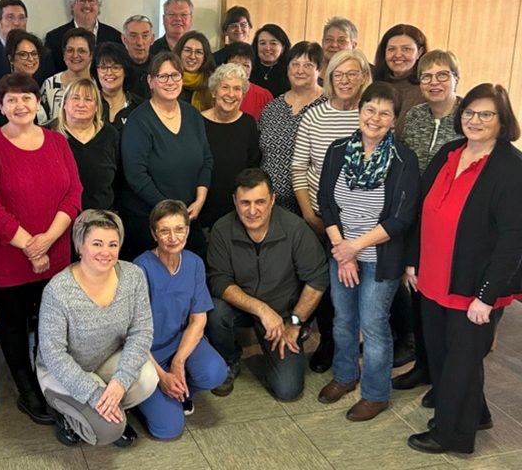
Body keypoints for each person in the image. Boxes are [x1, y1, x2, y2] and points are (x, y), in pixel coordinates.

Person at [406, 84, 522, 456]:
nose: (475, 120)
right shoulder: (449, 153)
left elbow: (513, 238)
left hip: (474, 287)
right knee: (444, 354)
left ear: (502, 122)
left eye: (486, 114)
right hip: (434, 277)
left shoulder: (510, 167)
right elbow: (421, 210)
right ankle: (477, 414)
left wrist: (487, 296)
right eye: (470, 112)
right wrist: (414, 261)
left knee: (459, 360)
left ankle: (452, 434)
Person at [0, 72, 82, 427]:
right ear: (0, 106)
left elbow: (74, 195)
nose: (20, 105)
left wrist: (47, 241)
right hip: (11, 254)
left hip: (55, 252)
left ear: (38, 102)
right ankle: (26, 388)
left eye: (27, 97)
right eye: (11, 99)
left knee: (52, 321)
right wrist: (29, 245)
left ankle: (50, 377)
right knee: (14, 321)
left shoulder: (58, 142)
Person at [316, 83, 420, 422]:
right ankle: (345, 376)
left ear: (394, 120)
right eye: (370, 109)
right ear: (359, 110)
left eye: (384, 113)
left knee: (374, 325)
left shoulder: (403, 159)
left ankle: (376, 394)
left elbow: (402, 218)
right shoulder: (337, 150)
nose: (375, 118)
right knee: (343, 320)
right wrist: (342, 251)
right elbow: (327, 205)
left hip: (380, 257)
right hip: (341, 250)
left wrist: (354, 248)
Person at [37, 210, 158, 447]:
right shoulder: (58, 290)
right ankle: (67, 415)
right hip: (60, 372)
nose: (106, 252)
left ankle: (111, 410)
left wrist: (119, 382)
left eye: (113, 244)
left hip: (105, 360)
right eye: (97, 243)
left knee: (148, 377)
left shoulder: (133, 276)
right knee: (107, 432)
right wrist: (93, 393)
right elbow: (54, 354)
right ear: (80, 246)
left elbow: (141, 332)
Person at [206, 169, 329, 400]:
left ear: (272, 200)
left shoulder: (295, 229)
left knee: (288, 390)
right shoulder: (222, 229)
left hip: (283, 315)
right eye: (245, 203)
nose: (252, 211)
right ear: (235, 201)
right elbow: (218, 281)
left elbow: (317, 278)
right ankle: (229, 359)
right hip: (242, 309)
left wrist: (295, 322)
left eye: (260, 202)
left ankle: (291, 341)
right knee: (214, 309)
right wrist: (262, 310)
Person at [292, 48, 372, 373]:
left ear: (364, 77)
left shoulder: (369, 115)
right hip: (318, 219)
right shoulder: (314, 116)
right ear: (328, 78)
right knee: (325, 285)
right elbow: (298, 168)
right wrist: (310, 216)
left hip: (361, 223)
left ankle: (351, 347)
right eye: (339, 74)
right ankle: (329, 342)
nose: (345, 80)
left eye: (352, 73)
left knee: (355, 287)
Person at [393, 50, 462, 392]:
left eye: (442, 75)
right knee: (420, 293)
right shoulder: (417, 115)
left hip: (453, 224)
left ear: (455, 79)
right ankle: (423, 364)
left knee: (447, 302)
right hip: (417, 218)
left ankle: (444, 377)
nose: (434, 82)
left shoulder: (468, 117)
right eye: (427, 76)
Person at [134, 200, 228, 439]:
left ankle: (179, 391)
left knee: (215, 372)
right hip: (146, 354)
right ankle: (144, 396)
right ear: (154, 234)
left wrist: (178, 363)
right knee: (168, 429)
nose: (173, 237)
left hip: (178, 344)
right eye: (164, 230)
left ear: (187, 230)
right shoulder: (140, 269)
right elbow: (132, 333)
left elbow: (198, 319)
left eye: (179, 229)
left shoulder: (194, 263)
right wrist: (161, 375)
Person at [119, 52, 213, 260]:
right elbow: (136, 176)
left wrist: (200, 199)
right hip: (150, 222)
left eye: (175, 75)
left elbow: (206, 160)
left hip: (189, 218)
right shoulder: (138, 121)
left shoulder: (192, 115)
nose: (170, 82)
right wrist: (171, 212)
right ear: (151, 81)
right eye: (162, 77)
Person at [259, 41, 326, 215]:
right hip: (270, 205)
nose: (300, 70)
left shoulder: (329, 105)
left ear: (320, 70)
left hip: (312, 207)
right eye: (295, 64)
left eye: (308, 65)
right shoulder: (273, 107)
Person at [200, 63, 262, 230]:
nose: (230, 94)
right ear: (214, 91)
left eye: (237, 89)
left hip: (238, 211)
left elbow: (253, 167)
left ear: (243, 94)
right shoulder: (197, 121)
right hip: (201, 207)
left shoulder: (248, 124)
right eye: (225, 87)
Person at [50, 78, 119, 211]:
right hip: (58, 219)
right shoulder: (48, 135)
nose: (81, 104)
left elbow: (119, 180)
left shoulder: (110, 134)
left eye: (88, 99)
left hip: (101, 218)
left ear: (97, 106)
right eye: (75, 98)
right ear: (64, 103)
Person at [44, 0, 122, 77]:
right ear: (72, 5)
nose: (87, 5)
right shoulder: (54, 38)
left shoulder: (115, 37)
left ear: (98, 5)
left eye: (92, 0)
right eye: (81, 0)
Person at [373, 24, 428, 133]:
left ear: (419, 53)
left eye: (406, 49)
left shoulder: (426, 89)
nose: (398, 55)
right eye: (391, 49)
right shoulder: (373, 84)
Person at [40, 27, 96, 124]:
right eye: (70, 50)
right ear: (64, 54)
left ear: (91, 55)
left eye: (81, 51)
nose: (75, 55)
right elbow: (42, 123)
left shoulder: (99, 85)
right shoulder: (49, 85)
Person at [92, 42, 143, 130]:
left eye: (115, 67)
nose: (109, 73)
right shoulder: (88, 104)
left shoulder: (139, 107)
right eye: (103, 68)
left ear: (126, 71)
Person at [219, 42, 273, 120]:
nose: (240, 69)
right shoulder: (215, 91)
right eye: (235, 64)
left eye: (246, 65)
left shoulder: (264, 96)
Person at [174, 30, 215, 111]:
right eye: (187, 50)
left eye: (198, 52)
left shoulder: (212, 83)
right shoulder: (168, 79)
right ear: (179, 52)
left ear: (205, 57)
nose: (192, 56)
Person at [251, 23, 291, 97]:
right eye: (262, 43)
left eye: (273, 43)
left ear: (283, 47)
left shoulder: (290, 71)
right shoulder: (249, 68)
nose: (267, 48)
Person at [120, 14, 155, 98]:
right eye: (133, 36)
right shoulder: (117, 68)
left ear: (152, 39)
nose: (139, 42)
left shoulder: (160, 67)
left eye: (145, 36)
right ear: (124, 39)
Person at [320, 17, 359, 83]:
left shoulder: (365, 73)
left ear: (354, 45)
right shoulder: (311, 72)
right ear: (322, 42)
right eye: (329, 40)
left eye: (342, 41)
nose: (334, 45)